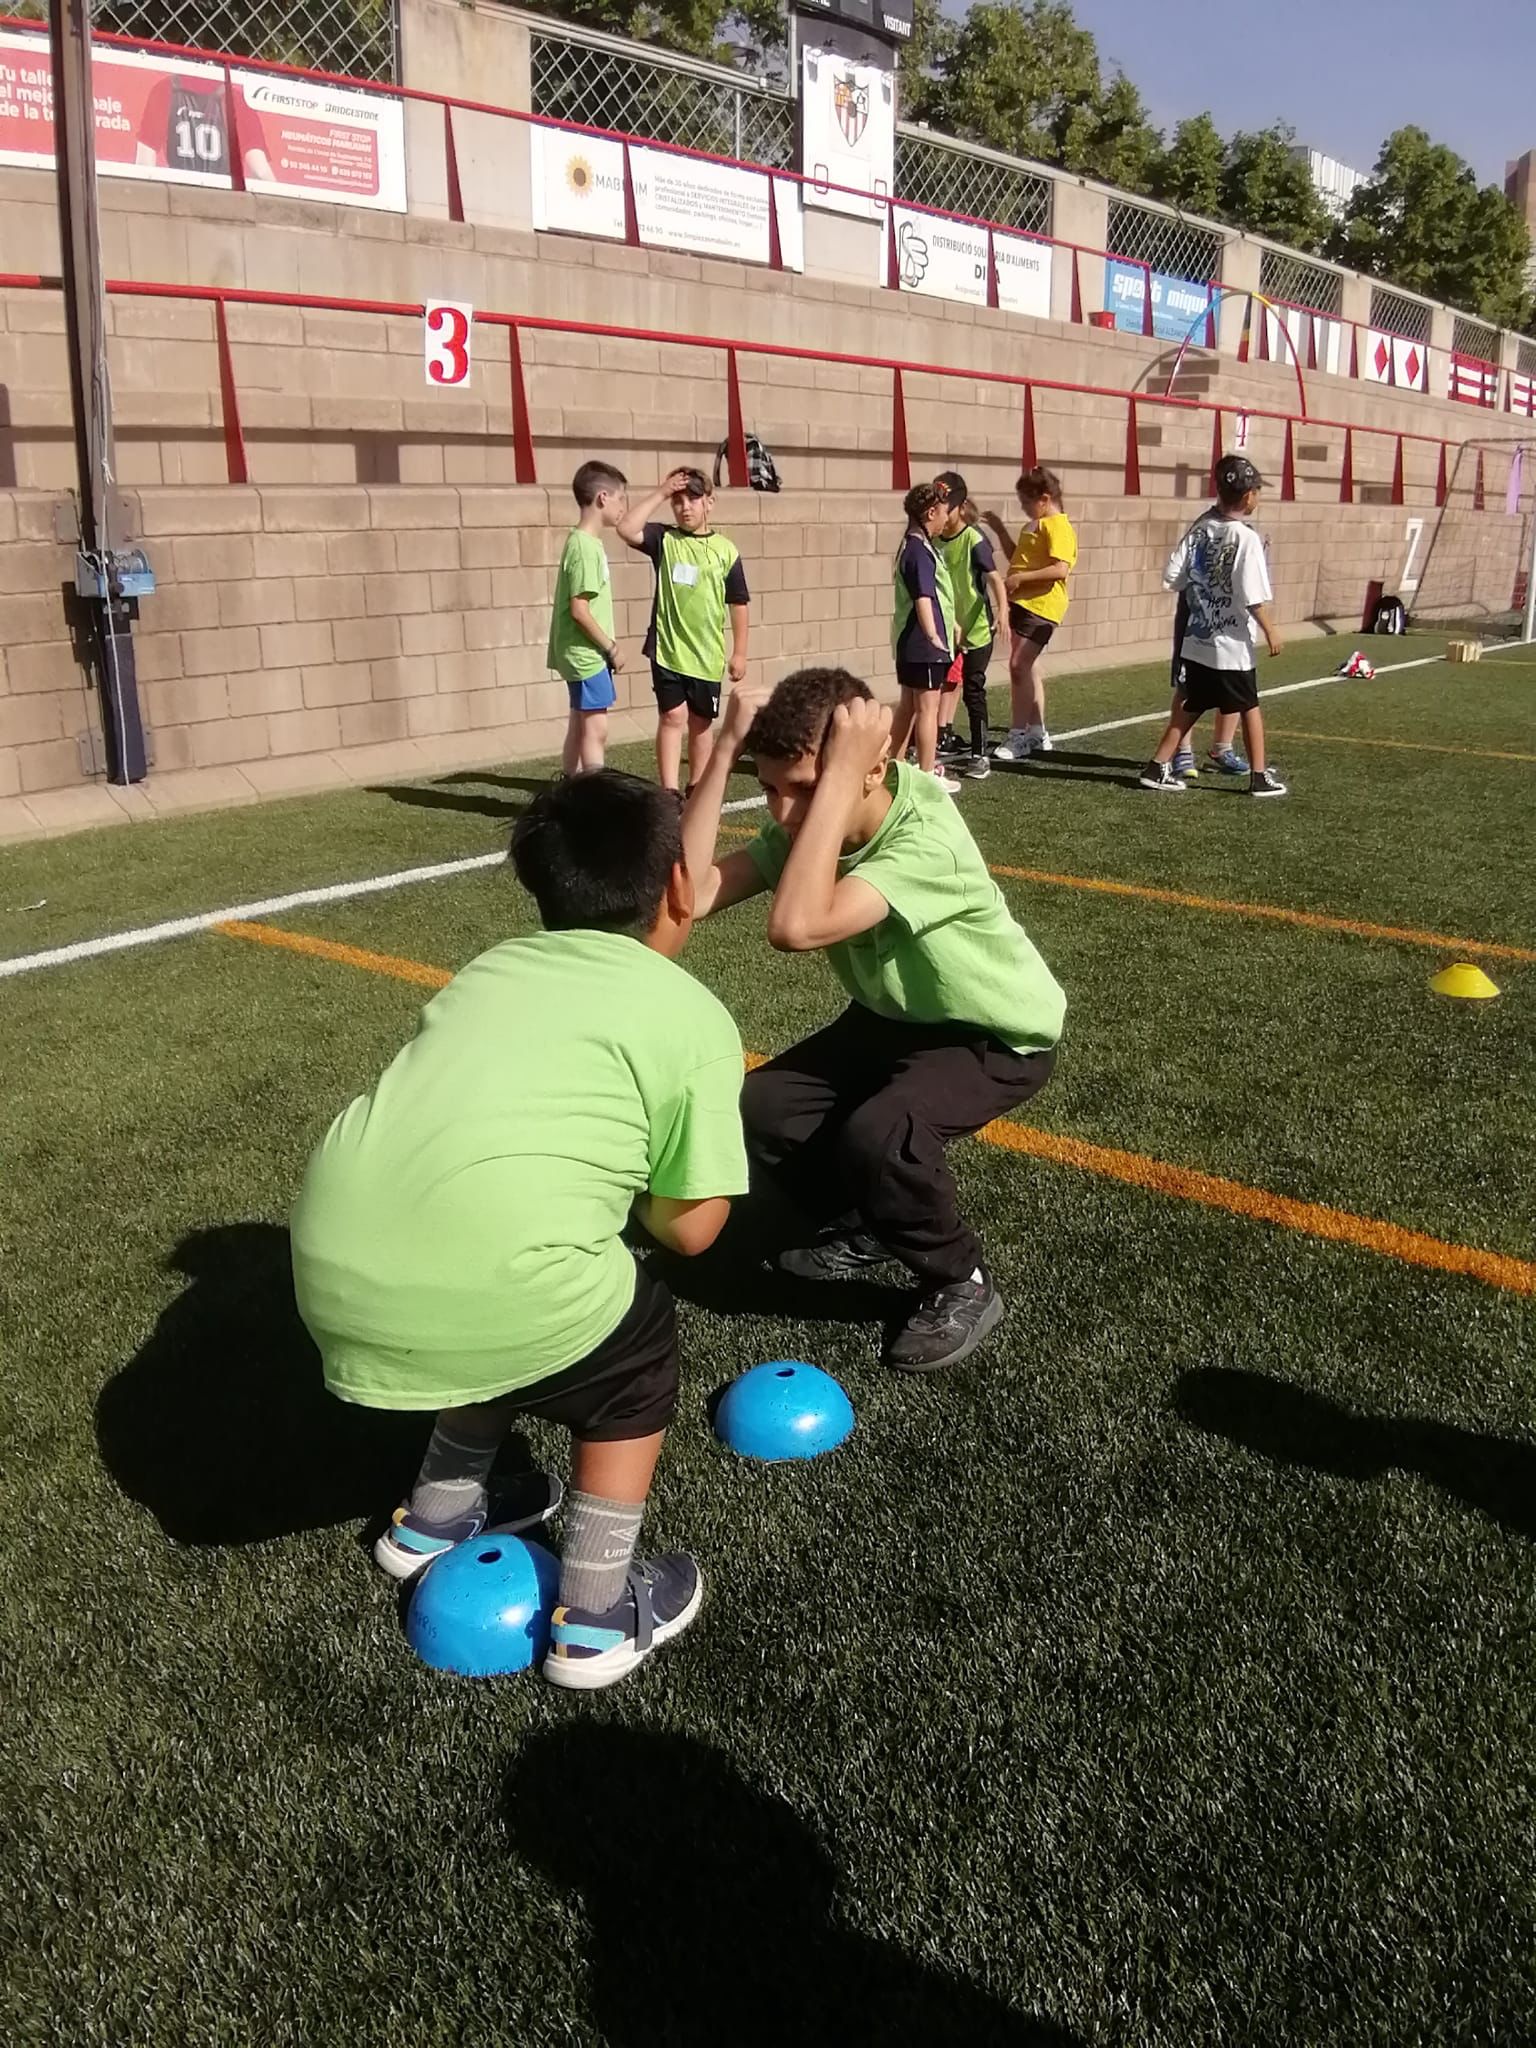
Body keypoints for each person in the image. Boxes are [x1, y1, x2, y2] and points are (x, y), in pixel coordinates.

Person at [290, 771, 749, 1690]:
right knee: (631, 1341)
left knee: (498, 1271)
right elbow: (693, 1229)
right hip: (496, 1286)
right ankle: (597, 1614)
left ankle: (435, 1515)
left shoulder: (490, 969)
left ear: (540, 886)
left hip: (330, 1275)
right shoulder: (690, 1014)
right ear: (680, 886)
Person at [681, 669, 1065, 1373]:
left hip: (993, 1034)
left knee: (881, 1133)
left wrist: (838, 777)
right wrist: (725, 746)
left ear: (871, 768)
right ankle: (872, 1219)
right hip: (894, 1019)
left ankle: (961, 1280)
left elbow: (797, 927)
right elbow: (688, 893)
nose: (784, 811)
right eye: (769, 788)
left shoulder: (924, 835)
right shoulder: (808, 821)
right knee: (764, 1106)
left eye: (804, 788)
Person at [1139, 454, 1288, 797]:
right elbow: (1252, 596)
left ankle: (1157, 765)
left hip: (1197, 639)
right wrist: (1270, 629)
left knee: (1191, 705)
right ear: (1248, 496)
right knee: (1249, 706)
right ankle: (1259, 776)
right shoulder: (1246, 538)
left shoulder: (1201, 528)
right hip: (1231, 645)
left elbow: (1173, 576)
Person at [618, 468, 750, 795]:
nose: (685, 507)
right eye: (677, 501)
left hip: (706, 656)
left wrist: (740, 652)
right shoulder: (664, 540)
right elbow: (626, 528)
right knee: (672, 717)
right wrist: (661, 492)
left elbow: (738, 603)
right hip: (667, 650)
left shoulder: (726, 551)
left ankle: (696, 789)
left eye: (692, 499)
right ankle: (669, 793)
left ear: (709, 502)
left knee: (701, 724)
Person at [982, 466, 1077, 763]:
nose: (1023, 507)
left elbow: (1060, 569)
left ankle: (1018, 735)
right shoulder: (1034, 526)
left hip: (1042, 606)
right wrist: (999, 530)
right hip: (1023, 603)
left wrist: (1021, 579)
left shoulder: (1057, 526)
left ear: (1044, 499)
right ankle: (1037, 731)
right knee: (1028, 667)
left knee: (1018, 666)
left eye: (1026, 502)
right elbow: (1017, 558)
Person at [547, 460, 628, 778]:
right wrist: (611, 647)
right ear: (603, 498)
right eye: (621, 499)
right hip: (586, 656)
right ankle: (593, 792)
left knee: (580, 723)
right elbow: (579, 610)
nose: (623, 507)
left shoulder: (584, 543)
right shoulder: (584, 547)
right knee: (596, 728)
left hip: (580, 654)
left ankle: (570, 786)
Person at [932, 472, 1009, 780]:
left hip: (977, 629)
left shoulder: (974, 540)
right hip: (947, 629)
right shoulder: (935, 541)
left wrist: (1002, 612)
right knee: (934, 687)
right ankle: (934, 742)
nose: (942, 513)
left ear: (961, 507)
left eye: (947, 507)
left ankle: (980, 754)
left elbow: (995, 579)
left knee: (973, 690)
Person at [1168, 499, 1250, 783]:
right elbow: (1176, 573)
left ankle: (1222, 748)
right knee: (1188, 685)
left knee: (1235, 682)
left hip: (1230, 623)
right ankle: (1182, 751)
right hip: (1198, 620)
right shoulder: (1202, 528)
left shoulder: (1244, 532)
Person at [888, 482, 960, 796]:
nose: (946, 519)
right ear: (931, 513)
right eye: (944, 512)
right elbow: (923, 598)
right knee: (927, 708)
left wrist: (952, 624)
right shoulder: (918, 550)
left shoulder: (915, 545)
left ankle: (892, 766)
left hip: (911, 643)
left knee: (908, 706)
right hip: (922, 645)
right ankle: (928, 773)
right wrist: (933, 636)